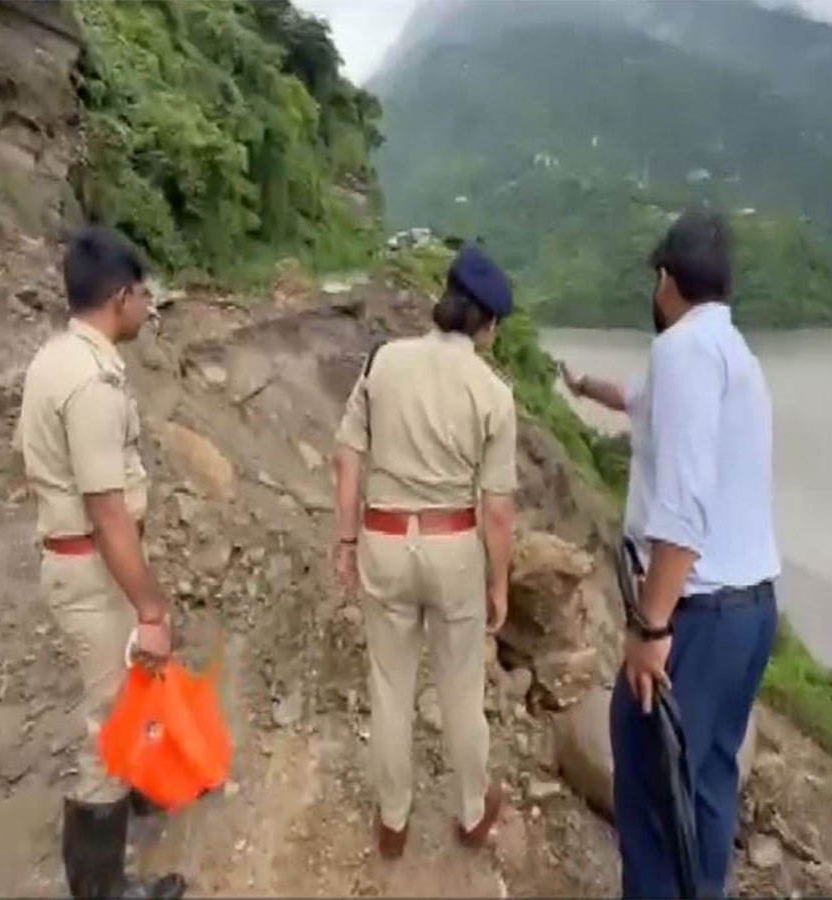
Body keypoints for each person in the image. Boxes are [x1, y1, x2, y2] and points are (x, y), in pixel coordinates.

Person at [562, 210, 779, 898]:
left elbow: (682, 506)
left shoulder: (682, 350)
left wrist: (651, 625)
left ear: (664, 281)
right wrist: (579, 385)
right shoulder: (734, 356)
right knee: (709, 781)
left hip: (696, 615)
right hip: (750, 614)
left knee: (652, 794)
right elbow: (637, 400)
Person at [15, 226, 185, 900]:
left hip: (84, 559)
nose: (149, 307)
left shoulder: (56, 358)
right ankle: (101, 885)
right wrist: (150, 608)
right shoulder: (90, 382)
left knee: (130, 691)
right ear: (120, 297)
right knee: (108, 722)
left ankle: (138, 793)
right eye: (145, 295)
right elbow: (107, 510)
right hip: (93, 567)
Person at [333, 243, 518, 860]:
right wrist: (500, 584)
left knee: (390, 686)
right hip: (453, 548)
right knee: (461, 689)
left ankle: (392, 820)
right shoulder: (493, 393)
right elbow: (497, 509)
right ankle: (471, 815)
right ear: (487, 324)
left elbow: (347, 456)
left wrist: (345, 539)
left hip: (383, 541)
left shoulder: (383, 361)